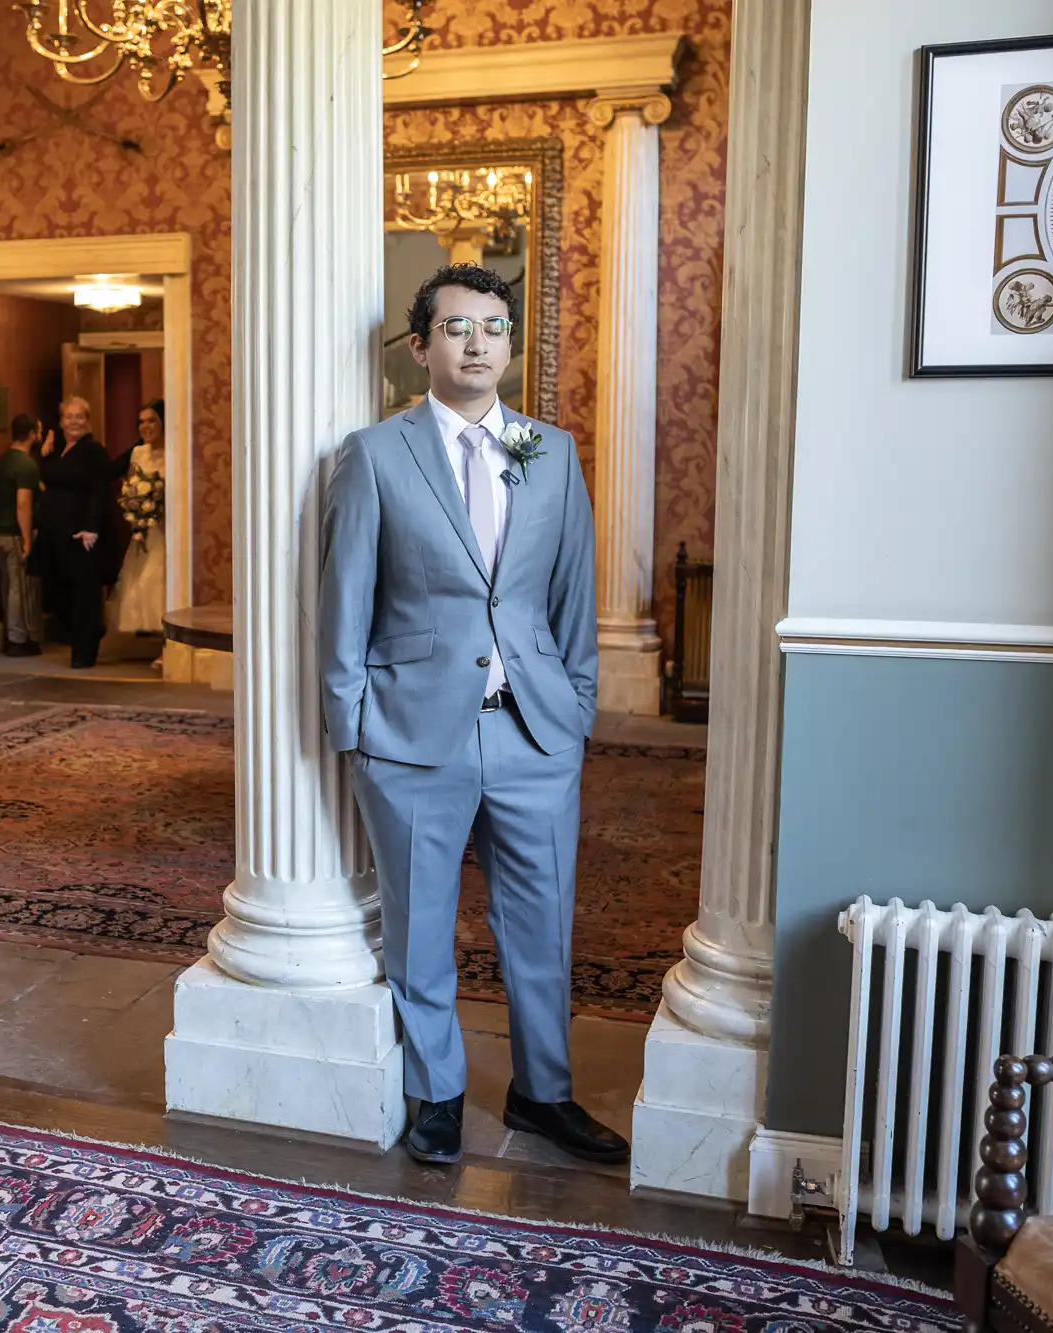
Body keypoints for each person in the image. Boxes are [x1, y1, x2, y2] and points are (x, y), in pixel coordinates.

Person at [318, 263, 623, 1168]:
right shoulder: (375, 455)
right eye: (458, 328)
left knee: (542, 923)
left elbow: (572, 594)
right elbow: (345, 600)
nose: (479, 343)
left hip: (534, 732)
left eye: (494, 326)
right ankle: (437, 1093)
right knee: (419, 925)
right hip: (411, 735)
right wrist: (354, 726)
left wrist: (576, 710)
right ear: (422, 348)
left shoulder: (552, 451)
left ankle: (544, 1094)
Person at [33, 396, 112, 669]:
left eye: (80, 416)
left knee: (84, 594)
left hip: (81, 533)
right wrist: (43, 453)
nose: (75, 421)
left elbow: (98, 492)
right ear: (61, 421)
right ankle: (82, 635)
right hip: (56, 533)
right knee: (59, 590)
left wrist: (91, 528)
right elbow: (48, 478)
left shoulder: (94, 451)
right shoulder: (56, 450)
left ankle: (85, 650)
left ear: (87, 420)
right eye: (69, 416)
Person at [108, 399, 167, 640]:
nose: (146, 426)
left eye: (152, 420)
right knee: (142, 581)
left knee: (157, 579)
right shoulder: (137, 452)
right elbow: (131, 484)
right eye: (141, 422)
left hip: (166, 527)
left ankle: (169, 643)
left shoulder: (175, 451)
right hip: (144, 527)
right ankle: (157, 637)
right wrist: (133, 505)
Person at [0, 414, 45, 656]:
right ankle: (18, 639)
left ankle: (13, 635)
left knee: (7, 583)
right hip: (14, 532)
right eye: (39, 431)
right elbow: (23, 503)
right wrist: (27, 540)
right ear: (33, 433)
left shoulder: (2, 462)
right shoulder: (26, 464)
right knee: (20, 587)